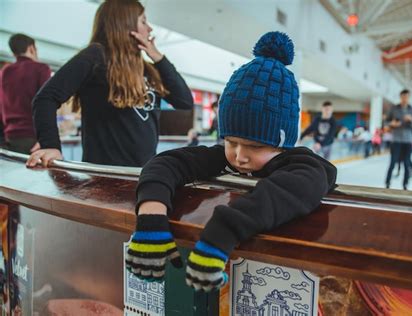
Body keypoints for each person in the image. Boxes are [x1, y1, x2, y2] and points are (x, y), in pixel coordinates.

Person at [125, 32, 337, 291]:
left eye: (255, 146)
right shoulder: (220, 157)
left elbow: (301, 186)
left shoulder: (302, 164)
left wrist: (222, 233)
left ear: (283, 142)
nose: (239, 156)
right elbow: (166, 163)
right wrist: (151, 216)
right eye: (230, 141)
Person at [27, 0, 193, 168]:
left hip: (144, 172)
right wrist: (51, 145)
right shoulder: (96, 56)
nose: (149, 28)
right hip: (105, 174)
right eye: (143, 21)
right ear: (125, 23)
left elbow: (185, 101)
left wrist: (157, 56)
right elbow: (46, 97)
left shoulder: (147, 69)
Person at [1, 34, 51, 154]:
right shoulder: (41, 69)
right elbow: (47, 104)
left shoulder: (5, 72)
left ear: (14, 53)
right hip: (34, 137)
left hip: (10, 137)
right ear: (31, 48)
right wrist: (47, 138)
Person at [384, 89, 412, 190]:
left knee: (407, 163)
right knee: (392, 162)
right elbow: (386, 122)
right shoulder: (394, 109)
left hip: (408, 141)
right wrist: (392, 124)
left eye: (407, 97)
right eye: (403, 97)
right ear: (400, 97)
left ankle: (405, 184)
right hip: (396, 140)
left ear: (409, 97)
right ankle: (387, 182)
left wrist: (411, 120)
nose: (405, 99)